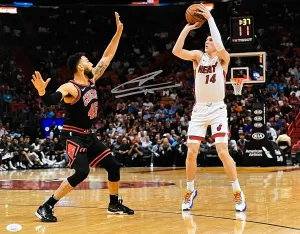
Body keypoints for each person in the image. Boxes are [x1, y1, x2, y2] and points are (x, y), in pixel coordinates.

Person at [31, 12, 134, 222]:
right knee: (81, 172)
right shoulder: (70, 86)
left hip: (87, 134)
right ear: (80, 66)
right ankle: (46, 206)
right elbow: (53, 99)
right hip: (72, 135)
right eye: (87, 60)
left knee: (113, 166)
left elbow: (107, 56)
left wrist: (118, 32)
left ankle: (114, 204)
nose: (91, 62)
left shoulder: (92, 79)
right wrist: (42, 92)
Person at [172, 4, 246, 212]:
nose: (207, 42)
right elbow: (176, 51)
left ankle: (237, 192)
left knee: (222, 152)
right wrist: (188, 28)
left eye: (210, 40)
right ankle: (190, 190)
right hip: (200, 110)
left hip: (217, 110)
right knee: (191, 152)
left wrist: (210, 19)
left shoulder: (223, 59)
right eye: (206, 40)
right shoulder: (197, 56)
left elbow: (220, 43)